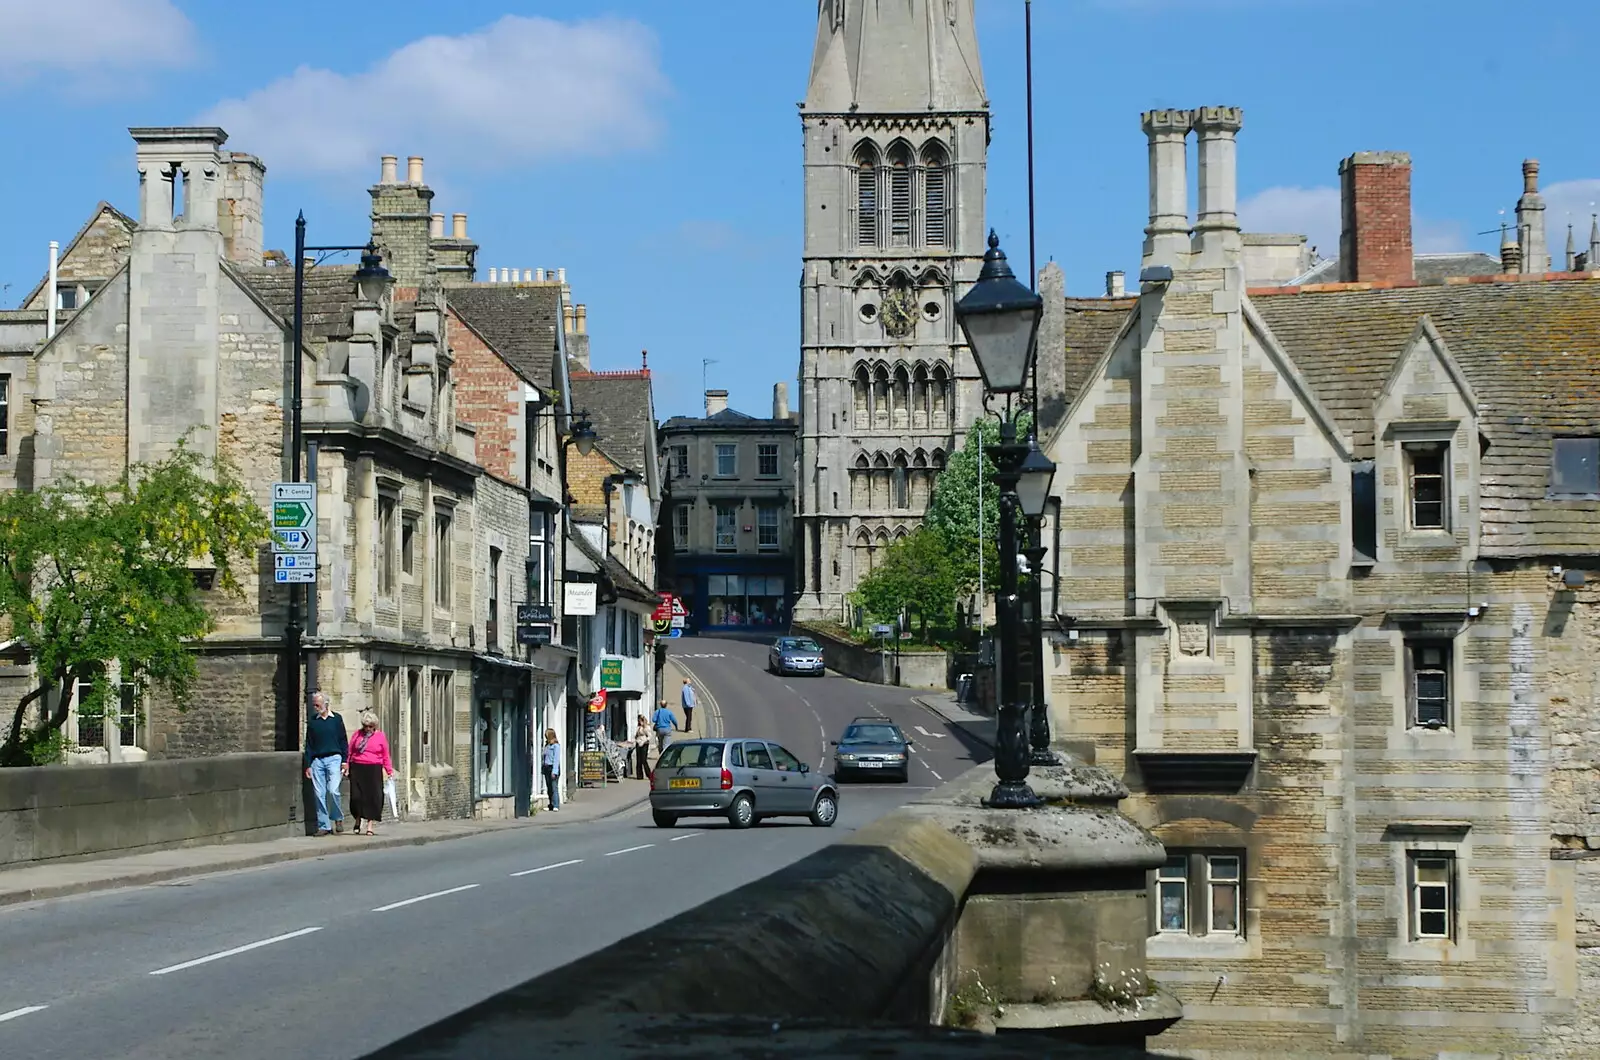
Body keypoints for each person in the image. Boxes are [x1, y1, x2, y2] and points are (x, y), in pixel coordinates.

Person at [303, 691, 348, 836]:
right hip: (317, 760)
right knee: (319, 793)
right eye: (314, 705)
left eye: (318, 704)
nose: (315, 707)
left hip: (334, 758)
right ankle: (324, 825)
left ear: (326, 704)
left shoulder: (336, 719)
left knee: (333, 790)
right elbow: (308, 744)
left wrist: (345, 761)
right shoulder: (313, 721)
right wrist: (308, 764)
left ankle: (338, 818)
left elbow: (343, 741)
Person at [347, 711, 393, 836]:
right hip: (357, 767)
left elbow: (385, 755)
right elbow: (350, 750)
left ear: (375, 726)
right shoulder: (357, 734)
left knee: (372, 798)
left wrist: (389, 770)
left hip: (373, 768)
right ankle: (357, 819)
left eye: (370, 726)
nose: (368, 729)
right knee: (356, 797)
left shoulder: (380, 737)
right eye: (365, 726)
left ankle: (370, 825)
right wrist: (346, 765)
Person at [541, 728, 562, 811]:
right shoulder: (547, 745)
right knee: (549, 788)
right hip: (546, 767)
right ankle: (551, 804)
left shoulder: (556, 746)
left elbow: (556, 759)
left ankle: (556, 805)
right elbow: (544, 757)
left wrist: (554, 771)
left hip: (553, 767)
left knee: (554, 787)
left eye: (546, 735)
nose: (545, 737)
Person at [633, 714, 651, 779]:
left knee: (644, 760)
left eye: (640, 721)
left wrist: (645, 741)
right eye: (639, 721)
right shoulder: (638, 727)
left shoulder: (646, 727)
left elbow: (649, 736)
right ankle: (639, 775)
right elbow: (635, 735)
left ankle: (649, 774)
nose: (639, 722)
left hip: (644, 744)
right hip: (638, 743)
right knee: (638, 760)